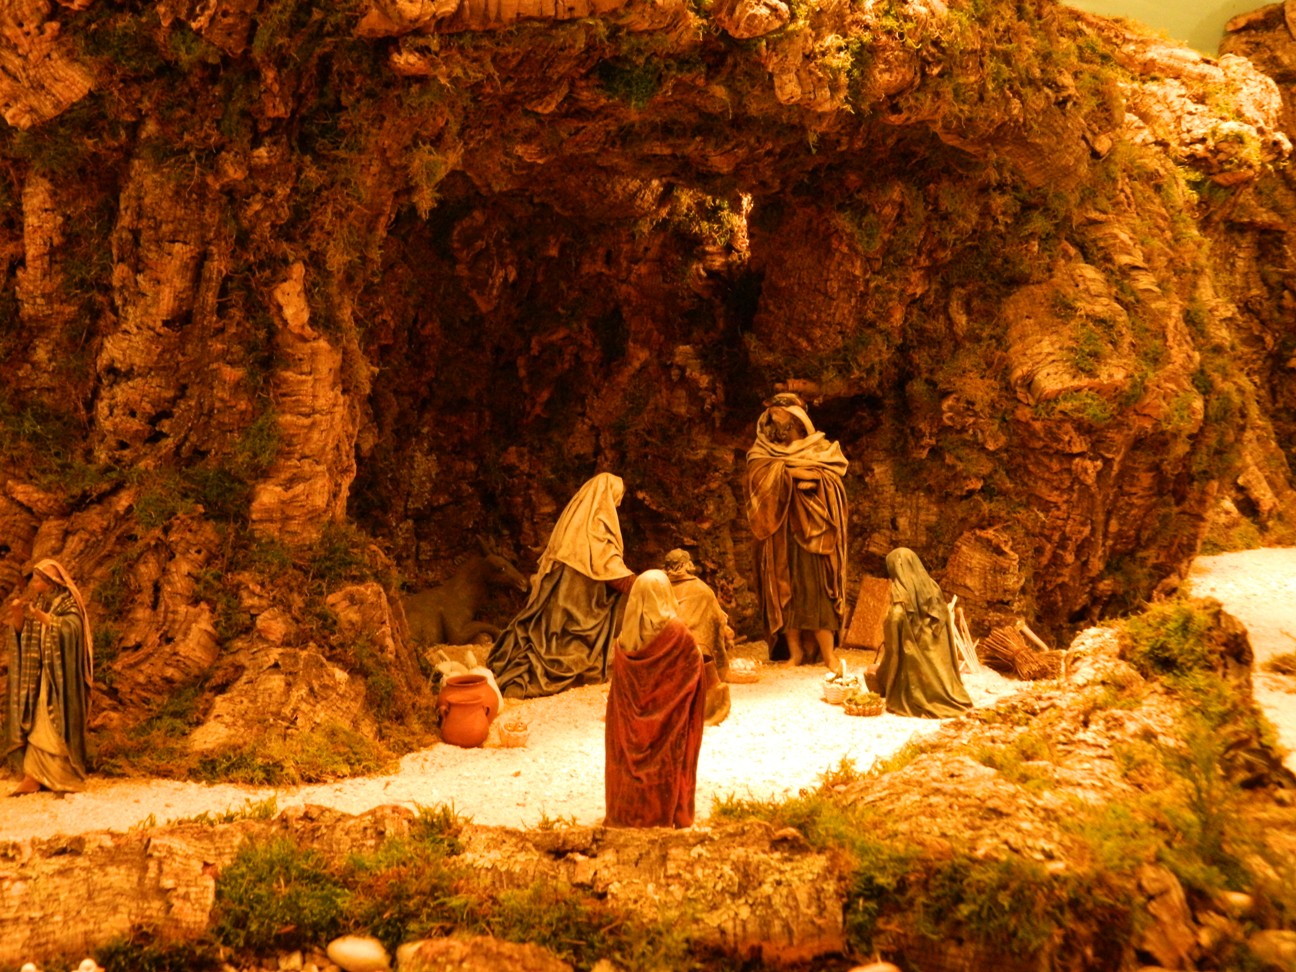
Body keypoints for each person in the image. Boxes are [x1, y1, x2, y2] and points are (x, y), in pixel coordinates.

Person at [489, 472, 636, 698]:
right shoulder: (597, 528)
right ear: (607, 496)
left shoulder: (575, 525)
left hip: (558, 607)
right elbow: (608, 567)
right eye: (617, 498)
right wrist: (641, 584)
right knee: (571, 648)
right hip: (577, 610)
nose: (617, 504)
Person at [745, 392, 849, 673]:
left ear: (797, 421)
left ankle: (828, 654)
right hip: (782, 534)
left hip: (816, 532)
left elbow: (833, 481)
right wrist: (795, 474)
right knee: (785, 591)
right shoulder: (763, 452)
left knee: (819, 590)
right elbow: (757, 477)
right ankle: (795, 652)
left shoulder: (821, 449)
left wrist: (815, 479)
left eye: (782, 421)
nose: (776, 428)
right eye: (772, 422)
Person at [604, 570, 706, 828]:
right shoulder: (677, 634)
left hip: (631, 731)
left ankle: (627, 812)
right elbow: (693, 669)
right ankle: (665, 812)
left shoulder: (625, 640)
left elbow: (620, 696)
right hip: (667, 726)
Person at [3, 559, 93, 795]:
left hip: (61, 678)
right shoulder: (41, 602)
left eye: (37, 579)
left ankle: (61, 775)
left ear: (50, 582)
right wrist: (18, 615)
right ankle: (33, 776)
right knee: (39, 721)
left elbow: (71, 629)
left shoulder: (68, 604)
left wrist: (41, 617)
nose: (33, 584)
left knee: (55, 722)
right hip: (42, 674)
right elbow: (26, 634)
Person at [877, 547, 973, 718]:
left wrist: (881, 676)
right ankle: (944, 689)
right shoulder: (933, 589)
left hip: (917, 677)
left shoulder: (900, 597)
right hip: (944, 673)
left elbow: (894, 649)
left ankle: (926, 694)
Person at [664, 548, 732, 726]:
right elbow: (717, 620)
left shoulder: (658, 587)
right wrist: (724, 629)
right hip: (695, 654)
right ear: (688, 565)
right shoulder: (702, 589)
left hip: (663, 654)